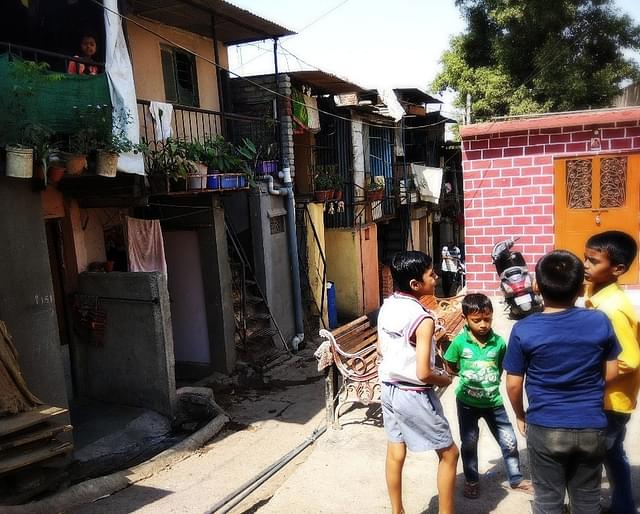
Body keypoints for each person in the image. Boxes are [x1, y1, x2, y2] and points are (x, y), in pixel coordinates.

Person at [504, 250, 620, 514]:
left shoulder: (524, 329)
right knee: (588, 501)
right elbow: (612, 373)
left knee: (548, 501)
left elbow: (513, 384)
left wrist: (521, 415)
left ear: (536, 287)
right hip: (592, 425)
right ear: (581, 288)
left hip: (545, 426)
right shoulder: (600, 321)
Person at [377, 251, 459, 514]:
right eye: (431, 274)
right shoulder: (422, 318)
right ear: (416, 285)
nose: (435, 278)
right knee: (449, 454)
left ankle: (397, 511)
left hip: (389, 389)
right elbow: (423, 373)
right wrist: (444, 378)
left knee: (395, 451)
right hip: (413, 393)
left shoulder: (388, 306)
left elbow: (381, 348)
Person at [443, 293, 533, 499]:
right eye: (477, 320)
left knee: (509, 441)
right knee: (469, 442)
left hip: (494, 402)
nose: (483, 324)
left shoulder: (499, 343)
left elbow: (504, 366)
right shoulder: (459, 343)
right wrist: (464, 375)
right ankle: (472, 480)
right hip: (466, 403)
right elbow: (450, 363)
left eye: (487, 319)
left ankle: (516, 478)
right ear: (465, 318)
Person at [584, 231, 639, 514]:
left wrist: (592, 382)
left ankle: (593, 507)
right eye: (585, 258)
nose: (585, 265)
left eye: (593, 261)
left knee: (593, 458)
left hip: (610, 401)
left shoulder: (612, 309)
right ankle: (624, 505)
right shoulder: (596, 293)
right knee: (612, 453)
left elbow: (629, 359)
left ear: (617, 269)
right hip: (612, 398)